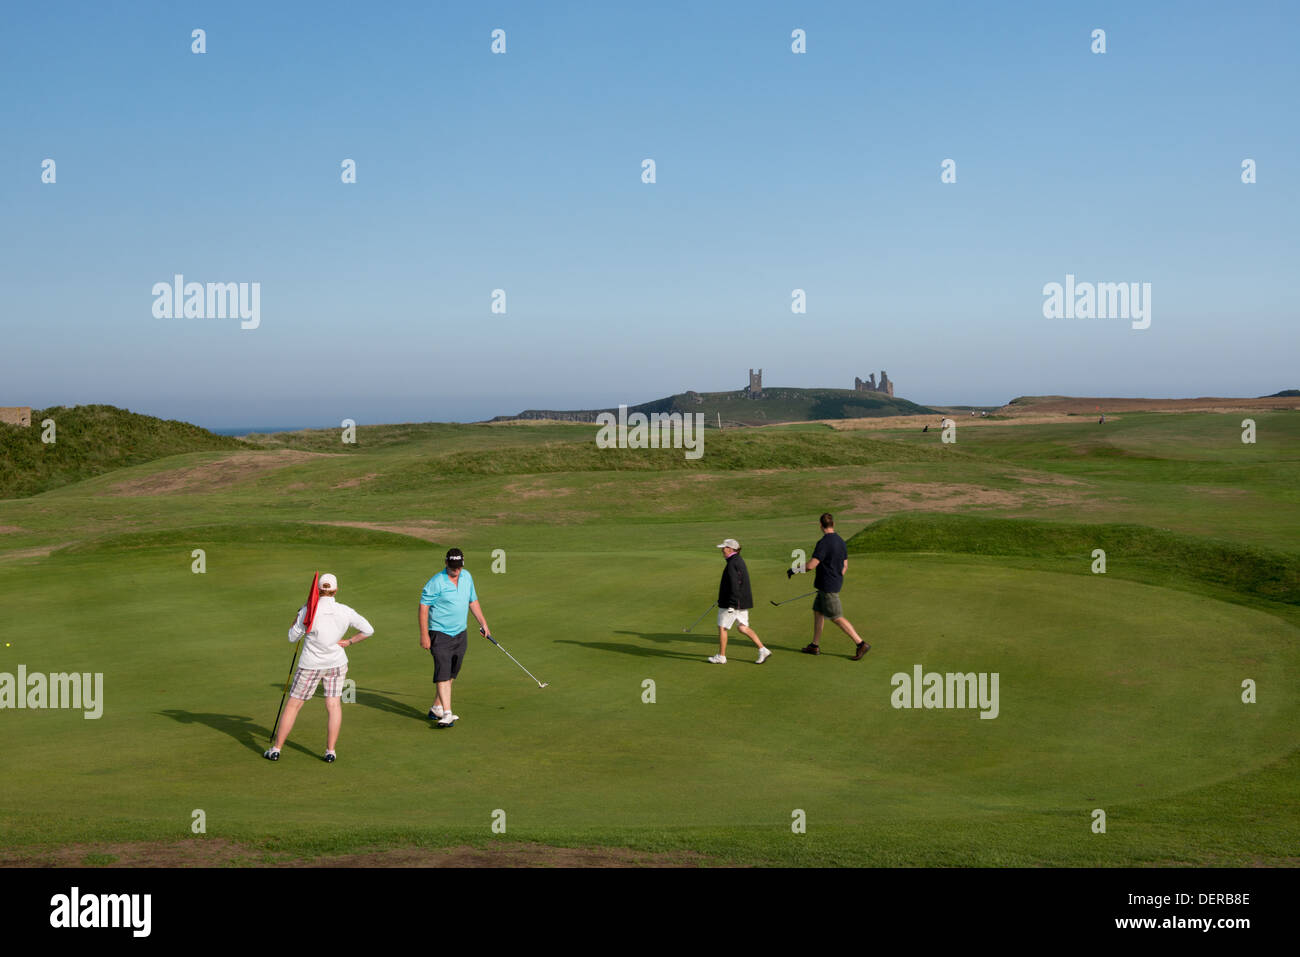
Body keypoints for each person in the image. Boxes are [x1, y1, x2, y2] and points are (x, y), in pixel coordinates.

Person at [264, 573, 374, 762]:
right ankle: (330, 751)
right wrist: (349, 642)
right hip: (337, 663)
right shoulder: (345, 610)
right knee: (333, 705)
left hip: (310, 665)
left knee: (293, 705)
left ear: (317, 590)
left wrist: (297, 617)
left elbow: (292, 637)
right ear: (335, 590)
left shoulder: (308, 610)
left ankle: (276, 749)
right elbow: (368, 630)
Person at [419, 548, 491, 728]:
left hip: (460, 632)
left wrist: (483, 622)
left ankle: (437, 707)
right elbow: (423, 607)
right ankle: (447, 713)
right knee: (443, 670)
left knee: (452, 672)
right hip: (439, 632)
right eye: (452, 567)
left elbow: (472, 601)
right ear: (446, 564)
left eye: (458, 567)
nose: (455, 570)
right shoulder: (436, 582)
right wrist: (424, 634)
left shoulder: (467, 577)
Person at [788, 513, 870, 659]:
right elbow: (845, 565)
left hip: (828, 587)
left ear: (820, 525)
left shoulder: (824, 542)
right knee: (818, 612)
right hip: (828, 584)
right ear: (833, 524)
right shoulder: (840, 541)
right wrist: (837, 577)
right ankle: (814, 645)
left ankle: (860, 643)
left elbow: (811, 566)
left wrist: (794, 569)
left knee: (836, 617)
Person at [708, 538, 770, 665]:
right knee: (742, 627)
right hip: (740, 601)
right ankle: (763, 649)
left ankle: (721, 656)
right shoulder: (737, 560)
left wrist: (730, 603)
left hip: (733, 603)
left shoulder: (732, 563)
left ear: (730, 549)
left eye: (724, 548)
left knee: (722, 628)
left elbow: (735, 585)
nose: (722, 550)